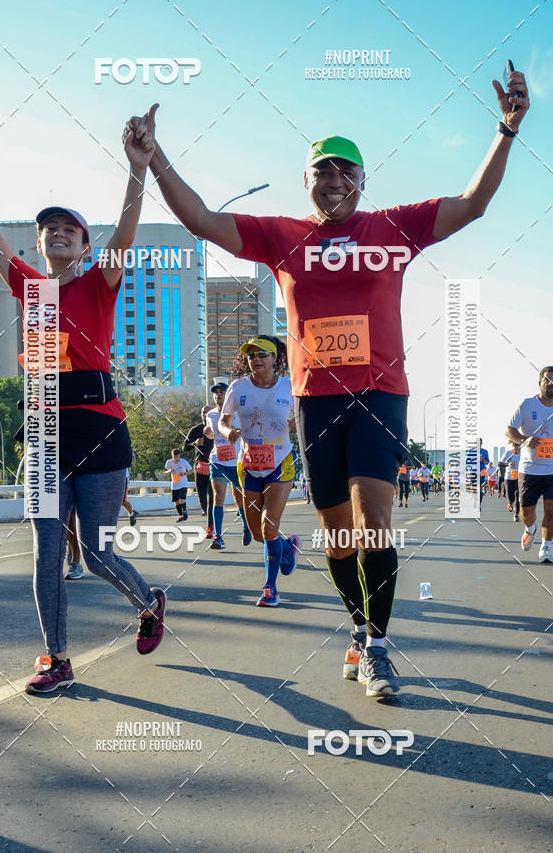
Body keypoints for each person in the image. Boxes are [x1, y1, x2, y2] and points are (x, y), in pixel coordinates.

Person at [128, 66, 529, 697]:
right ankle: (358, 628)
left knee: (374, 522)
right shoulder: (282, 237)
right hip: (315, 402)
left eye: (347, 169)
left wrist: (506, 128)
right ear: (307, 181)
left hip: (380, 394)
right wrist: (153, 160)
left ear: (363, 180)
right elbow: (204, 221)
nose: (335, 178)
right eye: (323, 169)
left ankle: (377, 644)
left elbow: (474, 204)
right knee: (337, 539)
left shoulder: (394, 228)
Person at [0, 111, 166, 695]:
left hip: (100, 433)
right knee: (48, 552)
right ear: (39, 243)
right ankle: (56, 657)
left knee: (96, 555)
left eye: (70, 229)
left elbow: (125, 232)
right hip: (45, 436)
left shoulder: (101, 281)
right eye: (49, 229)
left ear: (84, 243)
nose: (58, 233)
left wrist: (137, 169)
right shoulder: (32, 288)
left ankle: (148, 602)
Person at [219, 335, 298, 606]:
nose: (256, 360)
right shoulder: (238, 388)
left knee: (268, 527)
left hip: (281, 463)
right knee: (257, 534)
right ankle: (288, 547)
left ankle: (270, 589)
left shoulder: (289, 388)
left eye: (262, 354)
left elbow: (300, 419)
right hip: (249, 465)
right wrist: (229, 431)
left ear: (275, 358)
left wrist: (299, 425)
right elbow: (223, 421)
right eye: (251, 355)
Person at [506, 367, 553, 562]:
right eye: (547, 381)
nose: (551, 385)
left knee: (551, 509)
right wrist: (525, 440)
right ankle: (530, 529)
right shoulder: (527, 405)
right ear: (540, 382)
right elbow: (510, 430)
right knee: (526, 512)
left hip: (551, 469)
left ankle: (546, 547)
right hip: (529, 468)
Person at [204, 382, 252, 550]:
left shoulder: (238, 413)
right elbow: (211, 434)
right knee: (218, 497)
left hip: (236, 461)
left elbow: (246, 432)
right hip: (217, 461)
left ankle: (246, 526)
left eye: (221, 392)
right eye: (215, 392)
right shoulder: (210, 415)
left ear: (227, 395)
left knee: (240, 498)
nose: (218, 395)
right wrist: (207, 433)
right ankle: (218, 537)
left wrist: (237, 432)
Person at [183, 406, 214, 538]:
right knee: (202, 498)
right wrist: (194, 443)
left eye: (208, 413)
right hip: (200, 467)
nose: (205, 415)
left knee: (212, 498)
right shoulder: (195, 430)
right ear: (201, 415)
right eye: (203, 413)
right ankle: (208, 514)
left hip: (214, 466)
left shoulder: (217, 428)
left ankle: (210, 527)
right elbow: (184, 447)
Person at [164, 448, 192, 522]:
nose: (176, 458)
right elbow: (165, 472)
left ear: (179, 455)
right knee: (176, 501)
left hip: (183, 484)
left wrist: (184, 473)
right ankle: (180, 516)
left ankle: (185, 512)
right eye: (174, 457)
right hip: (174, 484)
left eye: (177, 457)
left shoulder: (184, 462)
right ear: (172, 456)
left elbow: (191, 470)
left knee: (182, 500)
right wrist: (170, 471)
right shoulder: (169, 462)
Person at [501, 442, 520, 521]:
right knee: (510, 496)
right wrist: (508, 464)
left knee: (518, 495)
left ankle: (516, 515)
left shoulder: (523, 453)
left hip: (519, 477)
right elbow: (500, 464)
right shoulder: (508, 453)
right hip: (509, 477)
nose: (516, 450)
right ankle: (510, 503)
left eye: (517, 448)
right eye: (514, 448)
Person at [122, 456, 138, 527]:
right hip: (108, 476)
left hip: (123, 477)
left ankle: (132, 514)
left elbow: (133, 458)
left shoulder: (123, 445)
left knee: (122, 501)